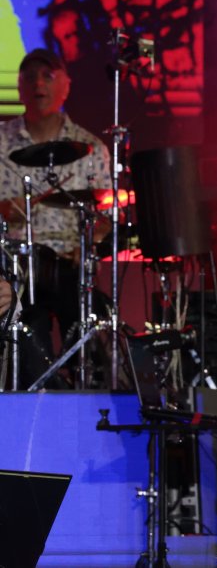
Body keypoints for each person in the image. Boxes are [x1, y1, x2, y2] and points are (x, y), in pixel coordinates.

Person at [0, 47, 111, 389]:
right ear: (19, 86)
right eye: (30, 76)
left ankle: (90, 395)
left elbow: (104, 220)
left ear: (66, 84)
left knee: (94, 316)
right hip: (15, 269)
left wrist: (91, 243)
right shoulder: (2, 142)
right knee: (27, 338)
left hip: (68, 266)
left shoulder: (90, 148)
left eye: (48, 75)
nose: (38, 83)